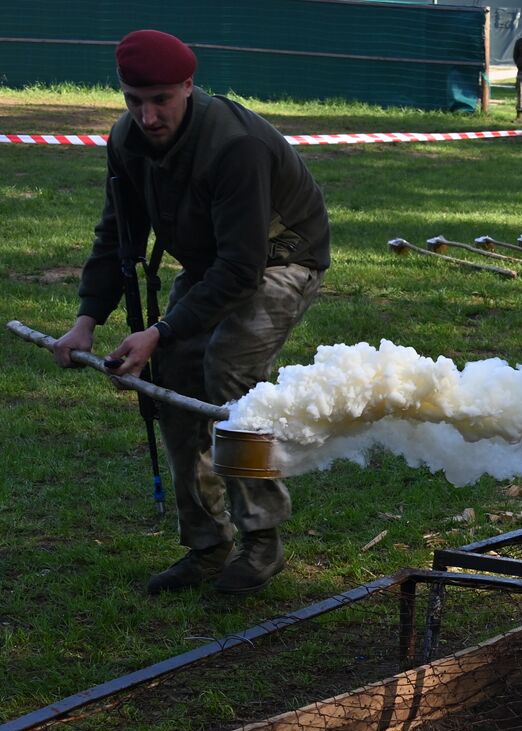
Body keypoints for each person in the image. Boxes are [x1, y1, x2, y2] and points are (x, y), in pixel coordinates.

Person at [51, 29, 330, 596]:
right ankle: (205, 543)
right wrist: (87, 318)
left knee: (228, 377)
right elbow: (117, 238)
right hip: (214, 263)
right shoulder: (127, 139)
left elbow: (242, 268)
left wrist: (159, 329)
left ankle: (262, 539)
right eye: (134, 100)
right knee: (169, 380)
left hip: (282, 259)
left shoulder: (236, 145)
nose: (148, 115)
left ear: (188, 87)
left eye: (161, 99)